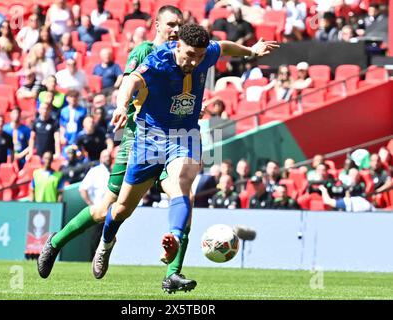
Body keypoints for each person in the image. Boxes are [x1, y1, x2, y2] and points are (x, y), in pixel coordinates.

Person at [91, 24, 277, 279]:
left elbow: (222, 47)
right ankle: (106, 243)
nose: (194, 61)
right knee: (122, 208)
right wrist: (122, 106)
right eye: (190, 54)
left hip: (185, 136)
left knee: (181, 184)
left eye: (199, 56)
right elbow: (132, 80)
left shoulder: (205, 53)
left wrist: (251, 51)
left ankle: (174, 239)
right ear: (178, 46)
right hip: (149, 138)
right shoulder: (159, 59)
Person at [37, 6, 194, 292]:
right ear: (156, 25)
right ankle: (58, 243)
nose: (175, 30)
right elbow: (129, 83)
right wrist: (125, 105)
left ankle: (172, 274)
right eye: (170, 24)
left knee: (184, 197)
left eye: (179, 25)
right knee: (105, 209)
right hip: (138, 139)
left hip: (174, 140)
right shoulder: (145, 52)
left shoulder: (184, 57)